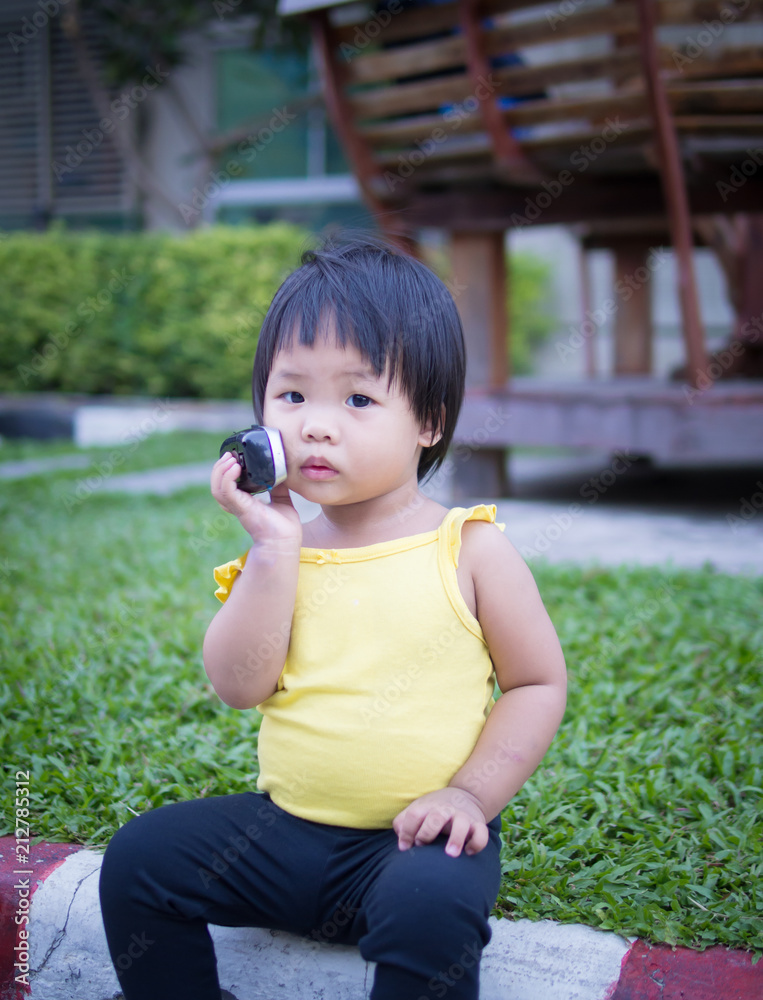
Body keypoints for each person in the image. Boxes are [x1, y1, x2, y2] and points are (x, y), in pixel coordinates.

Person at [98, 234, 567, 1000]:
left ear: (427, 422)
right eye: (291, 396)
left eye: (356, 398)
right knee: (141, 860)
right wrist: (275, 549)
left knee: (431, 911)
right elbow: (238, 685)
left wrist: (468, 797)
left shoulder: (469, 548)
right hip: (280, 835)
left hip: (412, 844)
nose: (317, 425)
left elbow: (535, 684)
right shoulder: (279, 552)